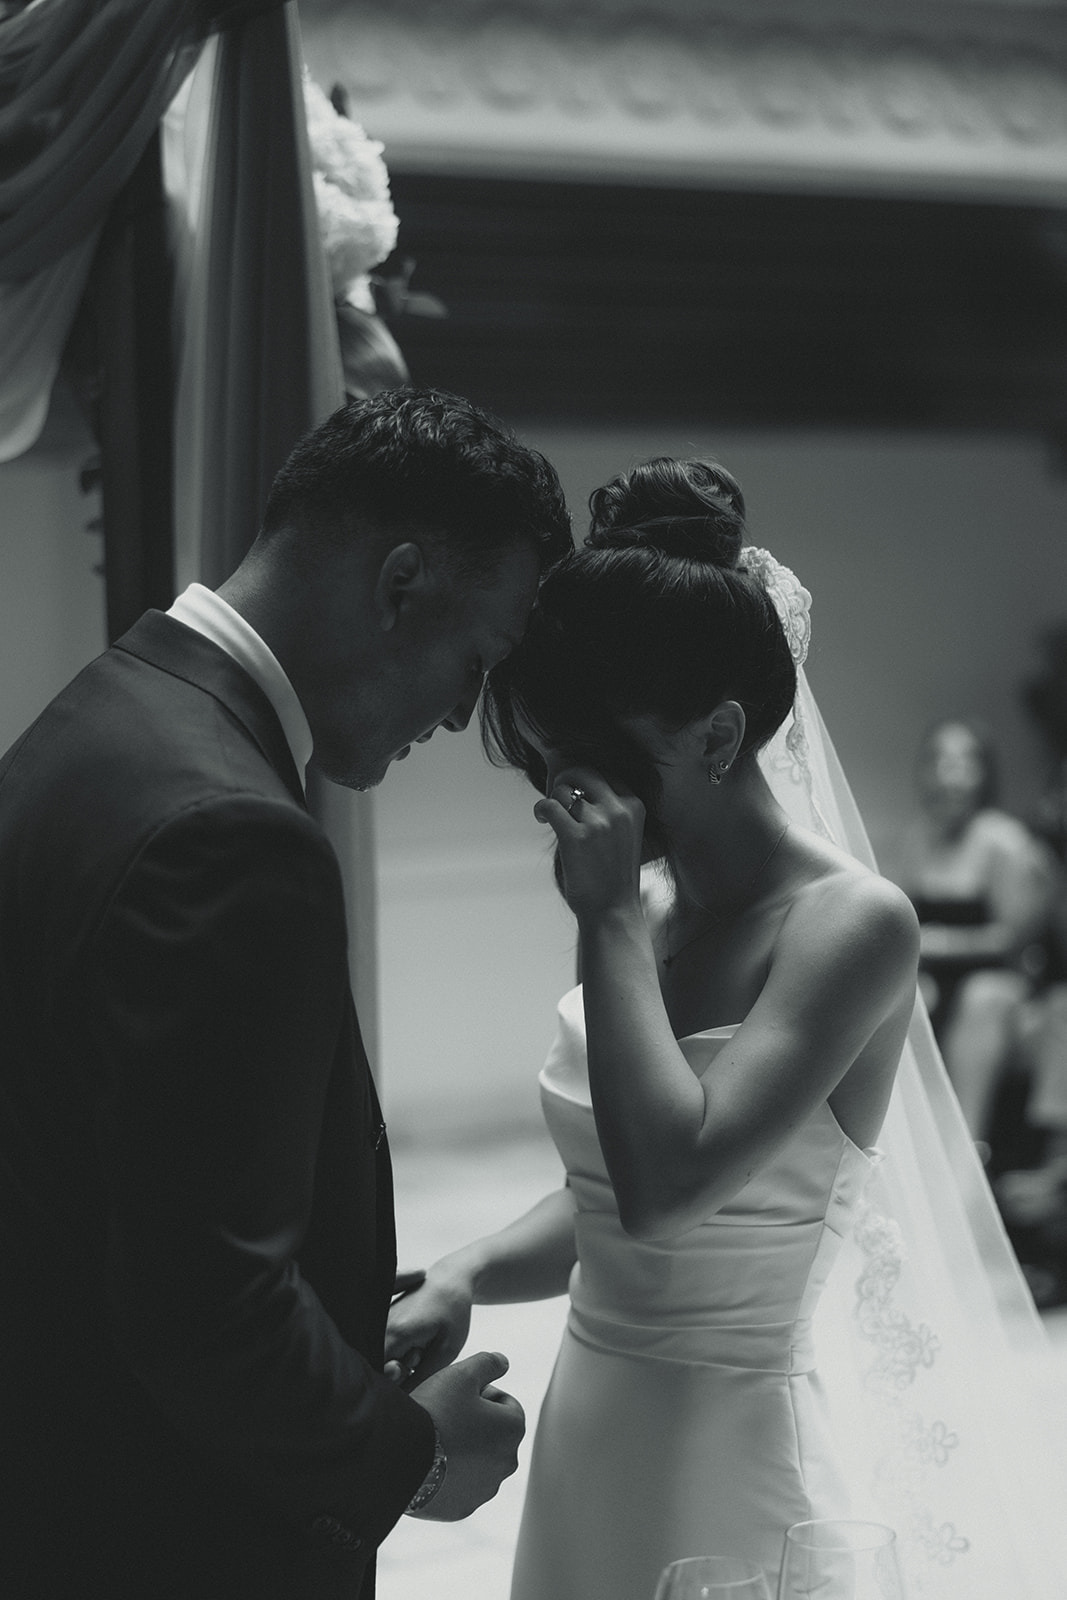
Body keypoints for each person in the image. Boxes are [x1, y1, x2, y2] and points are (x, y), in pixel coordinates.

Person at [0, 387, 572, 1600]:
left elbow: (126, 1174)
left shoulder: (98, 719)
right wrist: (413, 1456)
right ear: (401, 582)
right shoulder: (233, 833)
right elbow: (205, 1300)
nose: (463, 711)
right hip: (157, 1528)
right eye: (478, 660)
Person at [385, 457, 924, 1597]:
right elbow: (599, 1200)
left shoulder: (848, 926)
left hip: (731, 1458)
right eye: (541, 760)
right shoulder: (657, 903)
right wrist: (465, 1267)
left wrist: (607, 915)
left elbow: (667, 1187)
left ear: (720, 735)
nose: (560, 796)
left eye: (591, 761)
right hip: (595, 1425)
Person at [899, 718, 1056, 1147]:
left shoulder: (1003, 840)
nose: (950, 776)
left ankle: (967, 1151)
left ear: (984, 775)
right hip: (933, 979)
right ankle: (906, 1145)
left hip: (1002, 982)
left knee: (982, 997)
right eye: (939, 762)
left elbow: (1014, 939)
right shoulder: (917, 839)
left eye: (964, 763)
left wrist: (941, 943)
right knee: (902, 993)